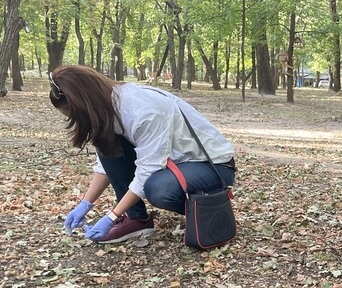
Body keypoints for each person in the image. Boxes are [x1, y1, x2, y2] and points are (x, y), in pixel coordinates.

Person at [49, 65, 237, 244]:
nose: (75, 121)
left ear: (85, 105)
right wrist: (86, 203)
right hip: (177, 162)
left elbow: (147, 170)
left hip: (212, 165)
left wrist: (112, 217)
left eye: (73, 115)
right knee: (106, 142)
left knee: (159, 189)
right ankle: (136, 220)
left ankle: (210, 208)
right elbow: (108, 162)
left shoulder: (142, 111)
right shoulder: (108, 108)